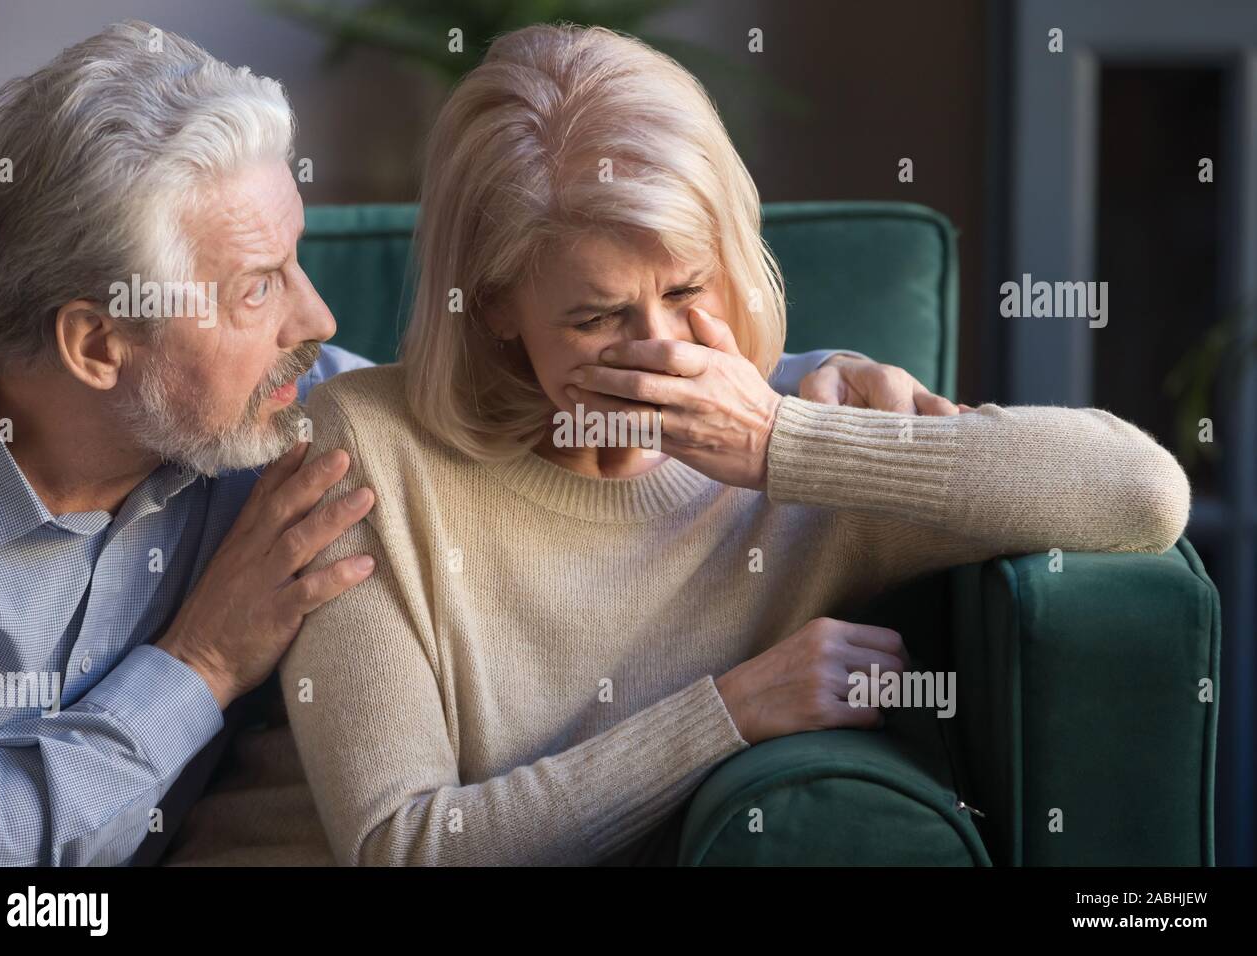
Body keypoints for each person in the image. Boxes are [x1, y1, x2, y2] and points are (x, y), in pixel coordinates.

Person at [0, 20, 931, 866]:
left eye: (297, 259)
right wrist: (198, 664)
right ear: (97, 342)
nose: (318, 313)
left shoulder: (287, 414)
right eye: (257, 286)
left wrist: (805, 388)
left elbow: (498, 401)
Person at [217, 24, 1186, 866]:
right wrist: (728, 710)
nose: (662, 347)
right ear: (498, 303)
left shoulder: (816, 432)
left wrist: (783, 439)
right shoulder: (361, 447)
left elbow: (1141, 492)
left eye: (687, 289)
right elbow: (404, 846)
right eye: (597, 316)